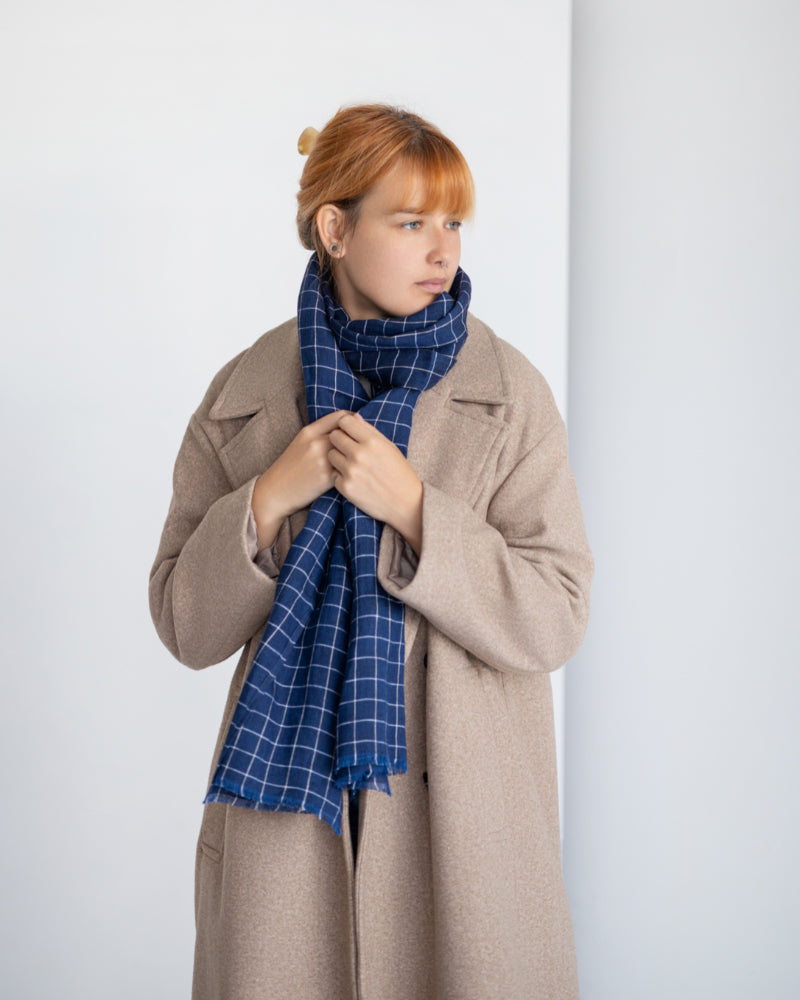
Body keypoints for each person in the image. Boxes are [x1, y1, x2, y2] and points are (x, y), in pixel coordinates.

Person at [149, 104, 593, 1000]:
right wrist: (270, 497)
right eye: (412, 221)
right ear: (335, 229)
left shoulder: (509, 395)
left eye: (454, 223)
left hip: (464, 825)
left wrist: (421, 512)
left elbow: (556, 615)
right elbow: (183, 625)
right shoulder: (244, 396)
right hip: (288, 827)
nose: (444, 251)